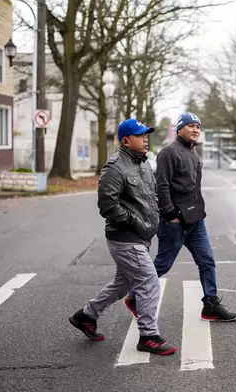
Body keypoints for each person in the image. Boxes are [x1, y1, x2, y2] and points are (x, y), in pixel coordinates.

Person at [69, 119, 177, 356]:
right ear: (126, 140)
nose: (146, 138)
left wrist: (156, 218)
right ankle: (148, 336)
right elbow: (107, 206)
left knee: (123, 284)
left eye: (146, 134)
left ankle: (85, 316)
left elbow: (150, 197)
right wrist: (136, 221)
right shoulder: (114, 168)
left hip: (141, 236)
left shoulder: (144, 164)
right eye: (140, 135)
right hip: (125, 237)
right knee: (149, 282)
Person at [125, 112, 236, 322]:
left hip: (195, 220)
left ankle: (210, 306)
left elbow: (194, 189)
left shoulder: (195, 156)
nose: (195, 130)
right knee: (163, 264)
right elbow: (161, 185)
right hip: (175, 221)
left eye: (198, 126)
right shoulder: (169, 153)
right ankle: (133, 298)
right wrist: (171, 214)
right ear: (180, 129)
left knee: (207, 261)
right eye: (190, 126)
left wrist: (199, 211)